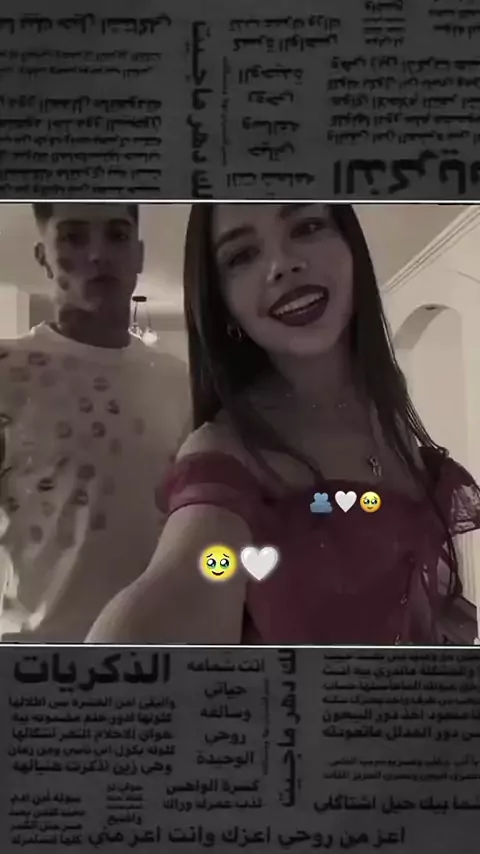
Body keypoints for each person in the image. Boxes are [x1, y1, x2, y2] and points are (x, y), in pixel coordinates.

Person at [87, 202, 480, 645]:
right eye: (242, 255)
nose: (283, 264)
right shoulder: (225, 451)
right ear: (223, 305)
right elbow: (181, 582)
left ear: (350, 246)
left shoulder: (387, 407)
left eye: (307, 226)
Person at [0, 202, 190, 641]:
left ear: (139, 255)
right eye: (73, 237)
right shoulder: (7, 370)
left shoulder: (181, 382)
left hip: (158, 646)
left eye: (117, 236)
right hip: (39, 650)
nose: (98, 254)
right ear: (43, 256)